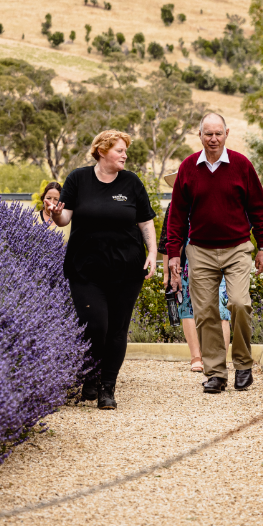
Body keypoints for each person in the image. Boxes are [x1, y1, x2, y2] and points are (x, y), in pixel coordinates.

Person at [46, 130, 157, 410]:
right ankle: (91, 374)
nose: (125, 155)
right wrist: (57, 212)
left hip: (127, 267)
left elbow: (145, 221)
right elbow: (64, 218)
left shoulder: (131, 182)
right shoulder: (78, 179)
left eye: (124, 151)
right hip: (86, 267)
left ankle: (107, 387)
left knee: (117, 329)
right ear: (103, 150)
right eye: (120, 150)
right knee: (96, 325)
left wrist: (153, 252)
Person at [166, 113, 263, 394]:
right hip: (200, 250)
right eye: (207, 134)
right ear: (199, 135)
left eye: (218, 134)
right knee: (206, 312)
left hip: (237, 247)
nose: (213, 139)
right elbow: (176, 215)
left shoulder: (241, 165)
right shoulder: (188, 167)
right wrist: (173, 253)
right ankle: (216, 373)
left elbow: (259, 208)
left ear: (226, 133)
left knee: (238, 302)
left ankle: (244, 363)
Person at [158, 173, 230, 372]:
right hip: (186, 262)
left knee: (221, 308)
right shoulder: (175, 206)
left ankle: (219, 358)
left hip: (219, 259)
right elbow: (167, 241)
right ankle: (196, 357)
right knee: (187, 307)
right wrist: (167, 274)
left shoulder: (217, 200)